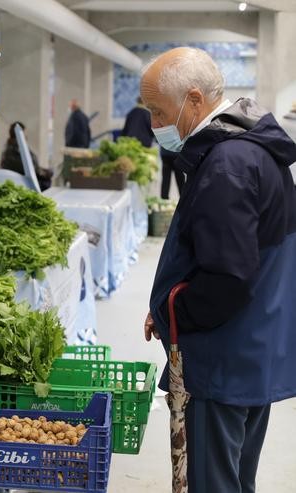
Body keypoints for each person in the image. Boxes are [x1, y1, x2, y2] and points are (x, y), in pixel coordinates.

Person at [141, 47, 296, 493]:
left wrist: (177, 312)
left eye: (157, 112)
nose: (154, 125)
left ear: (194, 101)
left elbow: (228, 278)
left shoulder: (228, 166)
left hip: (221, 361)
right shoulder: (253, 151)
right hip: (251, 349)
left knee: (212, 483)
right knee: (235, 477)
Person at [0, 121, 53, 190]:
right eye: (25, 132)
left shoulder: (12, 148)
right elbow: (28, 168)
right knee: (45, 182)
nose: (26, 135)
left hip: (20, 180)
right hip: (21, 183)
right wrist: (45, 172)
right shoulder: (16, 150)